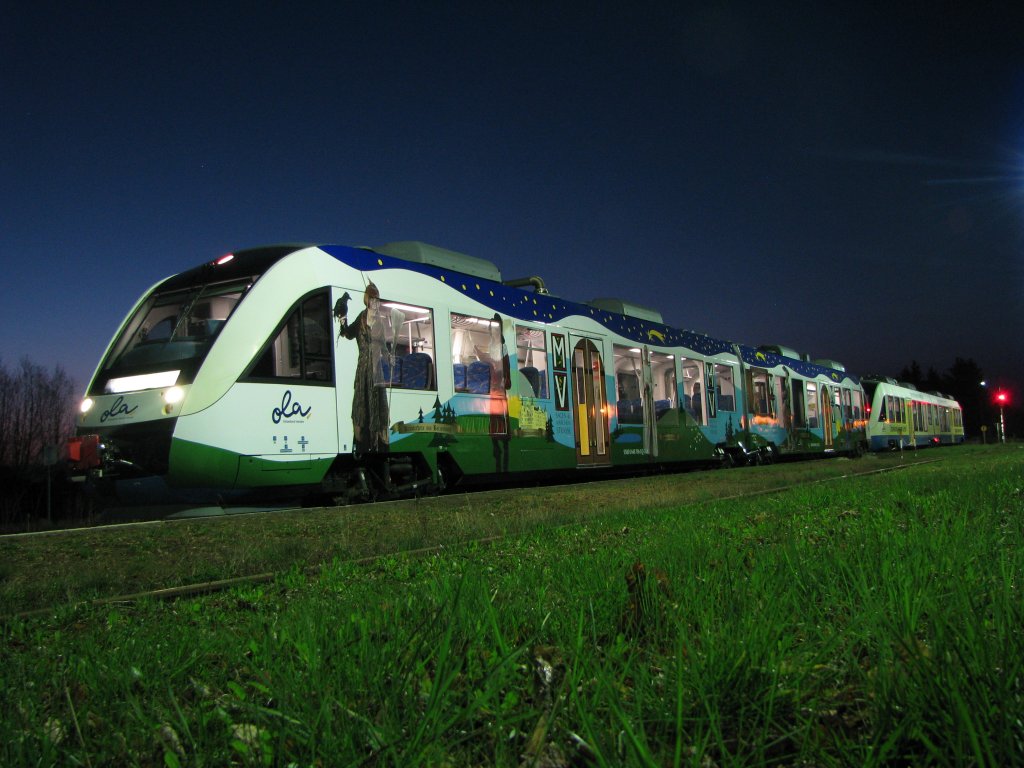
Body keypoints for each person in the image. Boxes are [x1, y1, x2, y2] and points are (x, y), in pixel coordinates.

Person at [338, 283, 390, 456]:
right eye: (373, 298)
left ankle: (379, 447)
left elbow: (383, 347)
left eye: (377, 299)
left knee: (378, 409)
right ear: (367, 300)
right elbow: (348, 333)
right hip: (362, 371)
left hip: (376, 372)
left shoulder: (380, 322)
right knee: (361, 407)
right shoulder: (361, 317)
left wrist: (389, 357)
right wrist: (342, 319)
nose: (375, 302)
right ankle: (361, 445)